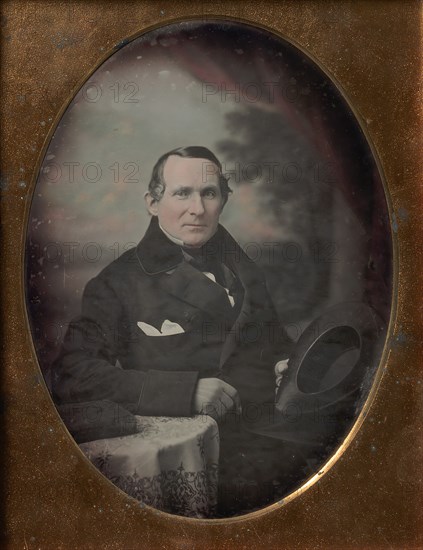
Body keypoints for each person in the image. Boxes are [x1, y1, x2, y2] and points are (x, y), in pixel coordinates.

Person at [52, 146, 295, 515]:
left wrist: (286, 363)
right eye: (182, 193)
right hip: (205, 456)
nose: (197, 209)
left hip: (278, 437)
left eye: (209, 193)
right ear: (152, 202)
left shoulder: (243, 266)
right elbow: (73, 375)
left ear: (223, 200)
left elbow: (276, 341)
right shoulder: (117, 283)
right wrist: (186, 391)